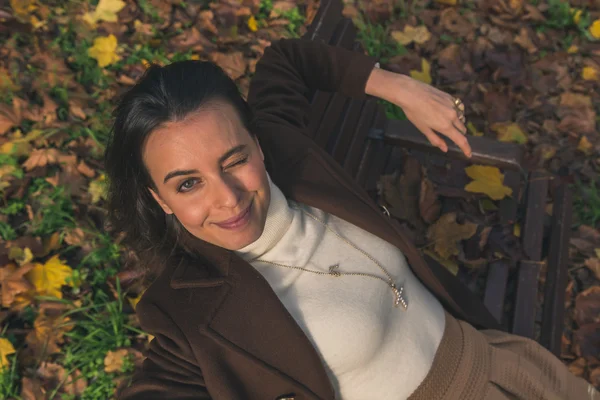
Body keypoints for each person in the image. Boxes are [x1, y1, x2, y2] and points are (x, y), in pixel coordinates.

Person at [104, 37, 597, 400]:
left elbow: (286, 60)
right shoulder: (186, 312)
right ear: (159, 199)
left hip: (498, 358)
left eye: (234, 160)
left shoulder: (283, 144)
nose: (228, 198)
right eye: (188, 183)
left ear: (257, 143)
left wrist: (402, 90)